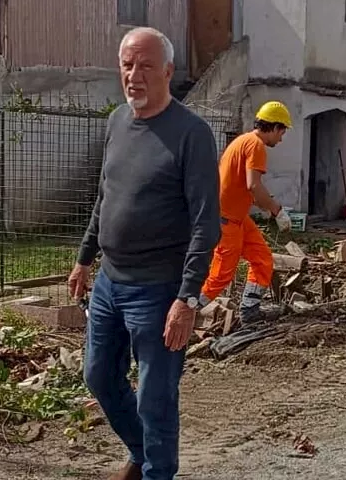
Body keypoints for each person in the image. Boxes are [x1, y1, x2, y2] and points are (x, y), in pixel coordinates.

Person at [69, 27, 220, 480]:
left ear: (169, 72)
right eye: (127, 65)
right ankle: (141, 453)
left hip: (159, 291)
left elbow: (205, 224)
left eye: (146, 66)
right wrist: (84, 257)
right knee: (97, 375)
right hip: (110, 284)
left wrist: (187, 298)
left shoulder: (191, 134)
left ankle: (157, 472)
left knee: (156, 396)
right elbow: (105, 196)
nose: (134, 75)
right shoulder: (118, 121)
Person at [198, 101, 293, 325]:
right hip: (227, 221)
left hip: (236, 218)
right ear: (275, 127)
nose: (281, 139)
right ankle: (186, 310)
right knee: (220, 277)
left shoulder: (243, 141)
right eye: (282, 132)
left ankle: (249, 313)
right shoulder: (256, 145)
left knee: (262, 259)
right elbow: (253, 185)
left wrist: (262, 203)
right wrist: (277, 210)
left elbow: (243, 186)